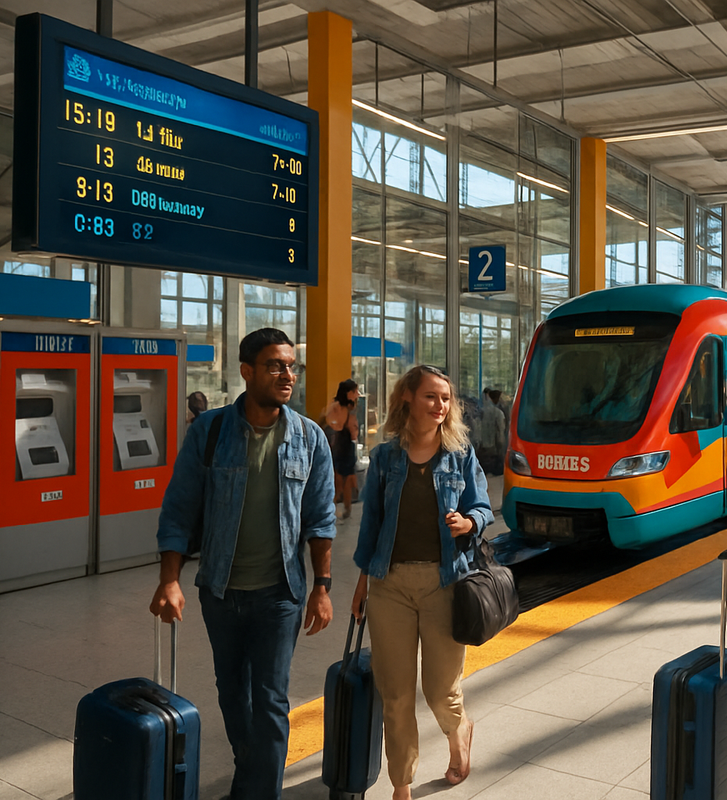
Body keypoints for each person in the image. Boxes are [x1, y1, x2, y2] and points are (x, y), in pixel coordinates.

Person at [150, 328, 335, 800]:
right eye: (275, 365)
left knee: (270, 701)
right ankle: (249, 776)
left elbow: (320, 518)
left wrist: (322, 587)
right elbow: (179, 508)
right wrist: (169, 579)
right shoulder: (209, 432)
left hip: (281, 595)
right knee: (233, 696)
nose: (287, 375)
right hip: (221, 591)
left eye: (292, 366)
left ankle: (257, 793)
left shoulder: (310, 438)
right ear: (246, 371)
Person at [351, 365, 493, 800]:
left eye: (446, 398)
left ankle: (459, 730)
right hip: (389, 584)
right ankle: (402, 784)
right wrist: (362, 583)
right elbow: (371, 524)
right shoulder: (385, 457)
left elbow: (484, 508)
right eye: (431, 396)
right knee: (394, 693)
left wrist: (468, 521)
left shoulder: (460, 453)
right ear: (408, 398)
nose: (440, 405)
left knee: (439, 690)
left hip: (444, 582)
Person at [324, 379, 360, 519]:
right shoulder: (347, 409)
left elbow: (328, 421)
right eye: (355, 391)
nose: (357, 394)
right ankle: (344, 507)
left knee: (339, 476)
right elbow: (352, 429)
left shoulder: (335, 406)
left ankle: (339, 507)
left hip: (337, 442)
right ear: (349, 393)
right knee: (344, 476)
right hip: (343, 442)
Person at [477, 388, 505, 476]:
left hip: (483, 446)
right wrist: (501, 447)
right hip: (494, 448)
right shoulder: (499, 413)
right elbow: (500, 432)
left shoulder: (482, 411)